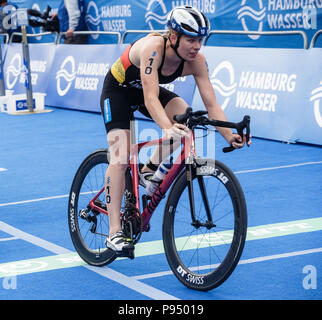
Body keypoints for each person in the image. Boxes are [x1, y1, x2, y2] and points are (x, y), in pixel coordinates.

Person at [100, 6, 251, 254]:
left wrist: (229, 134)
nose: (197, 46)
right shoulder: (153, 48)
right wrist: (167, 128)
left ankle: (147, 170)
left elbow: (211, 102)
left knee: (185, 117)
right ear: (173, 37)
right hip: (117, 91)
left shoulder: (197, 61)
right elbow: (150, 98)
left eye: (200, 40)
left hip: (147, 91)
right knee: (120, 155)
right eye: (191, 39)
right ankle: (114, 230)